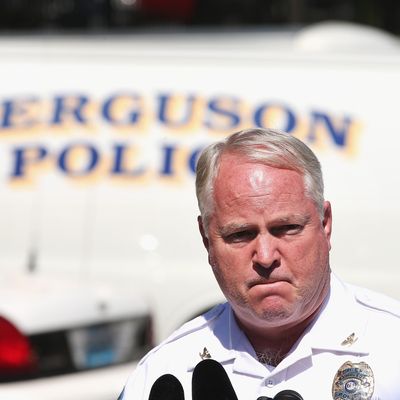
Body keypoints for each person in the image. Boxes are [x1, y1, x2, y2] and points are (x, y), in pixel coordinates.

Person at [119, 128, 400, 399]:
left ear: (325, 224)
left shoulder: (391, 346)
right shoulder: (163, 371)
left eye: (287, 228)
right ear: (207, 240)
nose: (265, 257)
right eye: (240, 235)